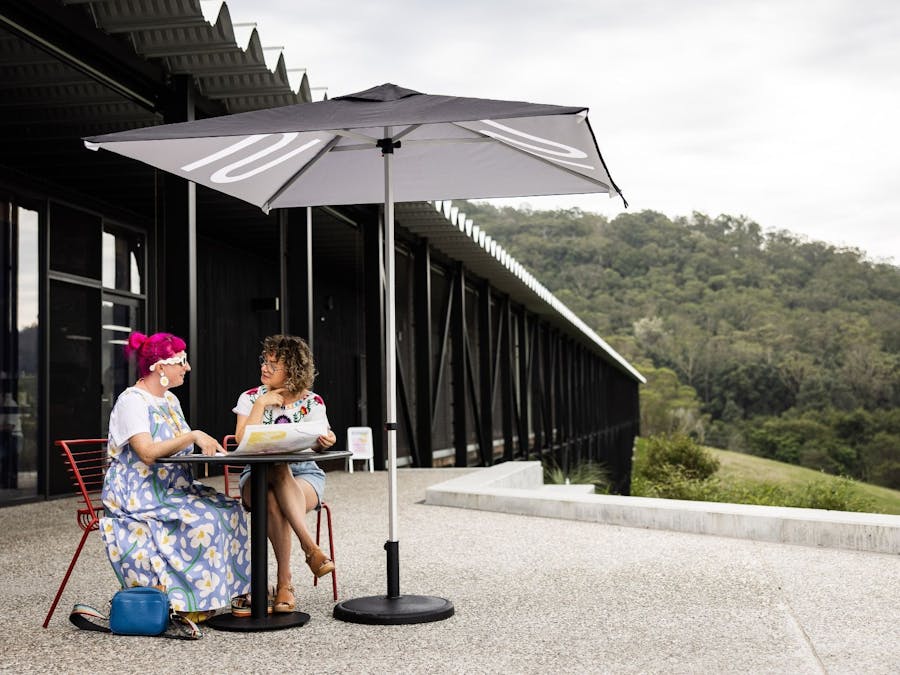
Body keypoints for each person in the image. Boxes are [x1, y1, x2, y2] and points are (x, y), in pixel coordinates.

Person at [100, 332, 250, 620]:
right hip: (139, 491)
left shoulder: (169, 399)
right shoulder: (132, 401)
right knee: (205, 518)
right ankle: (189, 601)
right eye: (181, 361)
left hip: (172, 486)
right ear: (159, 367)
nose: (187, 367)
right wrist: (192, 435)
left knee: (230, 509)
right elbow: (146, 452)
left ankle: (223, 594)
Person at [232, 334, 336, 614]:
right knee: (275, 469)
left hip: (304, 475)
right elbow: (242, 441)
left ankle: (284, 582)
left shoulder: (313, 402)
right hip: (254, 475)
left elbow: (321, 437)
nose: (264, 368)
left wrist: (326, 440)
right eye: (264, 361)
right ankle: (308, 551)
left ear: (292, 369)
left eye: (272, 364)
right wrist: (261, 405)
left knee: (277, 487)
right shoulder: (251, 398)